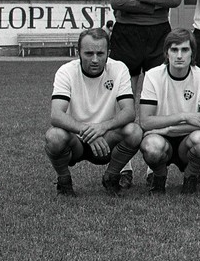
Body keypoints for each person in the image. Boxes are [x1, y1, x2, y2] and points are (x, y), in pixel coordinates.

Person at [107, 0, 183, 188]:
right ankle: (124, 166)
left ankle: (154, 166)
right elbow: (117, 0)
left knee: (156, 100)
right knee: (123, 99)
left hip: (159, 34)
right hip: (126, 33)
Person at [44, 28, 143, 196]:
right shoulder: (66, 71)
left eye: (100, 53)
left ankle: (111, 177)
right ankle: (64, 181)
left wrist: (103, 127)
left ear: (108, 53)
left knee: (134, 131)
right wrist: (88, 131)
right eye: (89, 53)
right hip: (75, 140)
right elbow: (56, 115)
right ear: (78, 53)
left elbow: (129, 111)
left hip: (106, 140)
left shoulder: (119, 69)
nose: (95, 59)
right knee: (54, 136)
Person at [138, 29, 200, 195]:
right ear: (166, 53)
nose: (179, 55)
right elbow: (145, 121)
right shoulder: (153, 76)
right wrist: (184, 116)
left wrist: (168, 129)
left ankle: (190, 176)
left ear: (192, 53)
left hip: (185, 141)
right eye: (174, 50)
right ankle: (159, 176)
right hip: (161, 139)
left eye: (185, 50)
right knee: (151, 146)